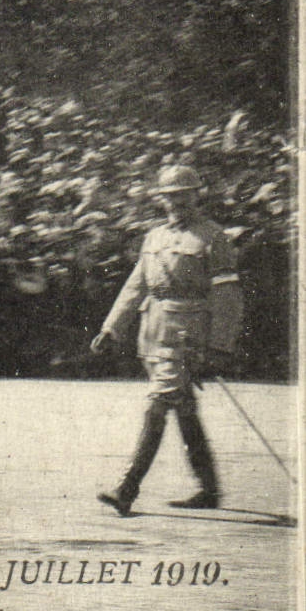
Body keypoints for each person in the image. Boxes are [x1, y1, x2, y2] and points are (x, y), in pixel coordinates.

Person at [90, 165, 242, 516]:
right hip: (153, 331)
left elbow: (228, 296)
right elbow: (136, 285)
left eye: (183, 195)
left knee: (158, 403)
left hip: (189, 335)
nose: (176, 202)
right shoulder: (154, 237)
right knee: (183, 409)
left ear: (196, 195)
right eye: (169, 196)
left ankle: (126, 488)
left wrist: (220, 345)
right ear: (161, 200)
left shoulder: (213, 237)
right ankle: (209, 489)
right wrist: (112, 328)